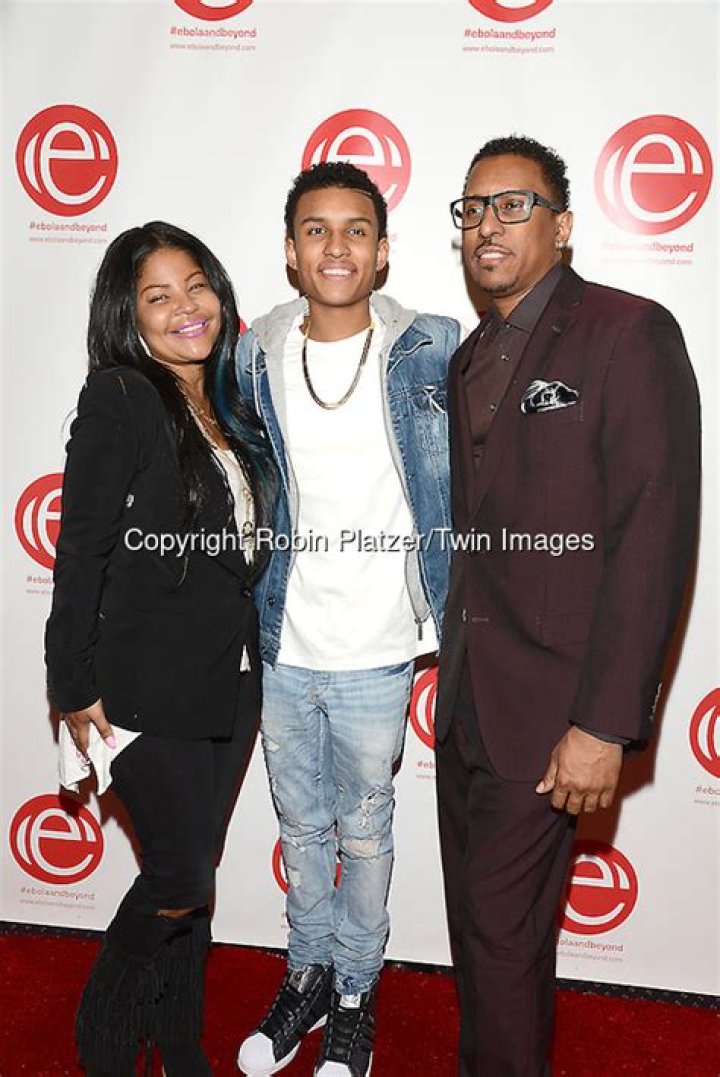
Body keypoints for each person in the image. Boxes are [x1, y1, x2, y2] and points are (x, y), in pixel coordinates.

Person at [435, 135, 701, 1075]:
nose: (488, 225)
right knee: (486, 938)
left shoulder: (629, 332)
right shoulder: (467, 357)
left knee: (501, 946)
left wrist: (604, 723)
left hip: (557, 713)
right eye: (473, 208)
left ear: (564, 225)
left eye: (514, 205)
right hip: (467, 704)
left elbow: (653, 535)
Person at [234, 161, 463, 1077]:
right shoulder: (255, 352)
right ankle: (307, 977)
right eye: (316, 230)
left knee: (364, 834)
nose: (337, 246)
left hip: (377, 648)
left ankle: (357, 993)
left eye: (356, 229)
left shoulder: (431, 348)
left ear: (382, 249)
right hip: (283, 640)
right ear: (292, 251)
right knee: (301, 831)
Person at [45, 221, 277, 1076]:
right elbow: (81, 549)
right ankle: (104, 1028)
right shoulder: (121, 396)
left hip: (232, 679)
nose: (186, 306)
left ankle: (178, 1037)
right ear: (129, 315)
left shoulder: (231, 406)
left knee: (196, 868)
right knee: (177, 873)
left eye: (196, 285)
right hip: (140, 685)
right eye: (158, 295)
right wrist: (71, 684)